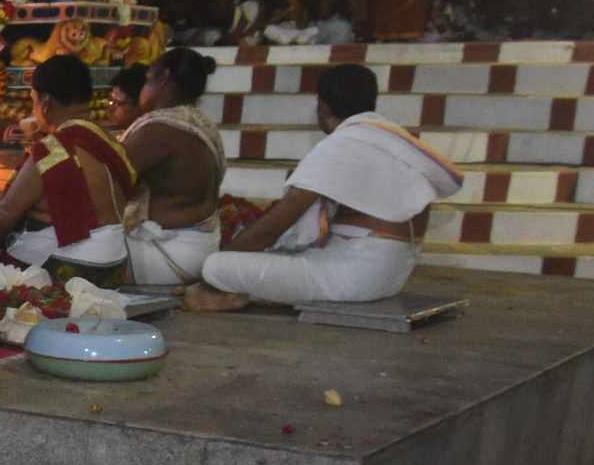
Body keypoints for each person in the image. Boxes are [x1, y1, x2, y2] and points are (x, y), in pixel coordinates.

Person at [190, 63, 459, 311]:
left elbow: (272, 229)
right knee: (270, 259)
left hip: (356, 275)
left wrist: (218, 268)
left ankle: (230, 293)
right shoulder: (393, 139)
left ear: (323, 105)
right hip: (393, 276)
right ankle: (244, 292)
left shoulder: (343, 144)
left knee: (215, 266)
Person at [0, 56, 133, 272]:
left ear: (45, 102)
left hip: (74, 268)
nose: (33, 109)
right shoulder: (110, 141)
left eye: (33, 100)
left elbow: (1, 218)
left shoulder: (53, 150)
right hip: (115, 264)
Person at [115, 47, 226, 288]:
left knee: (61, 245)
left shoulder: (160, 129)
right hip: (197, 250)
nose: (142, 90)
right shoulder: (200, 124)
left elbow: (104, 178)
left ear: (164, 79)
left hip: (167, 257)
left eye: (147, 81)